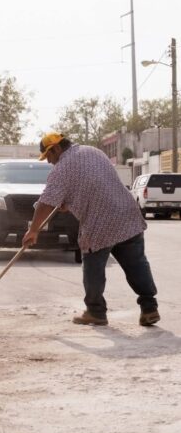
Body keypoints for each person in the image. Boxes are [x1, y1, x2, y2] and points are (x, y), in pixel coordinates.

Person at [22, 132, 159, 327]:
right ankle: (149, 308)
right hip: (127, 214)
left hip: (100, 223)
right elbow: (95, 185)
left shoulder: (61, 169)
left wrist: (33, 230)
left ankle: (96, 312)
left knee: (93, 267)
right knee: (136, 264)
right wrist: (68, 204)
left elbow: (45, 202)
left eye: (49, 157)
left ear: (57, 148)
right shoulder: (93, 151)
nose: (49, 162)